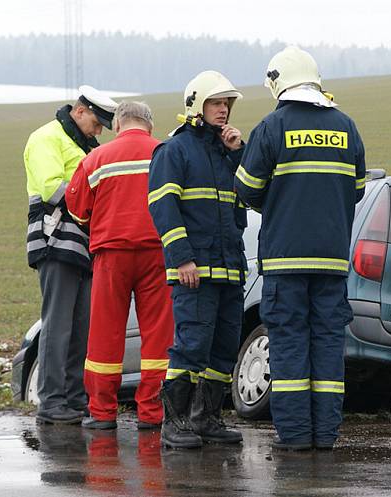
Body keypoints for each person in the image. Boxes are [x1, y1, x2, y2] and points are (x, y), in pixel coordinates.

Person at [235, 46, 366, 451]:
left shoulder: (271, 128)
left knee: (289, 346)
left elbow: (246, 189)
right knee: (327, 346)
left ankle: (294, 439)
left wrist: (280, 200)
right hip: (330, 261)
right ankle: (325, 436)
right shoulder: (346, 127)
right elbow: (357, 190)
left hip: (285, 261)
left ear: (278, 83)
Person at [148, 70, 248, 449]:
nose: (223, 110)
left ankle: (207, 419)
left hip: (228, 269)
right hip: (194, 271)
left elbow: (247, 198)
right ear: (197, 106)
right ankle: (174, 425)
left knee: (224, 347)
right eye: (216, 103)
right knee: (191, 345)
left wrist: (239, 152)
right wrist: (182, 259)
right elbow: (163, 208)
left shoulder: (227, 151)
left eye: (227, 104)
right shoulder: (173, 151)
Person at [65, 101, 174, 431]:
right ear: (149, 126)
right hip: (158, 252)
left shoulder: (96, 159)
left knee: (105, 333)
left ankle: (102, 412)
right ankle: (152, 412)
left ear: (117, 126)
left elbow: (78, 209)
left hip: (111, 254)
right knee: (158, 334)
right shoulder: (164, 153)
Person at [24, 85, 118, 424]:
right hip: (56, 239)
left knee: (80, 327)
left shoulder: (82, 145)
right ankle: (51, 401)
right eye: (96, 123)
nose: (98, 131)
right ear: (79, 111)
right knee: (58, 324)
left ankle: (74, 399)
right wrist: (100, 203)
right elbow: (51, 186)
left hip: (80, 243)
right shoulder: (46, 138)